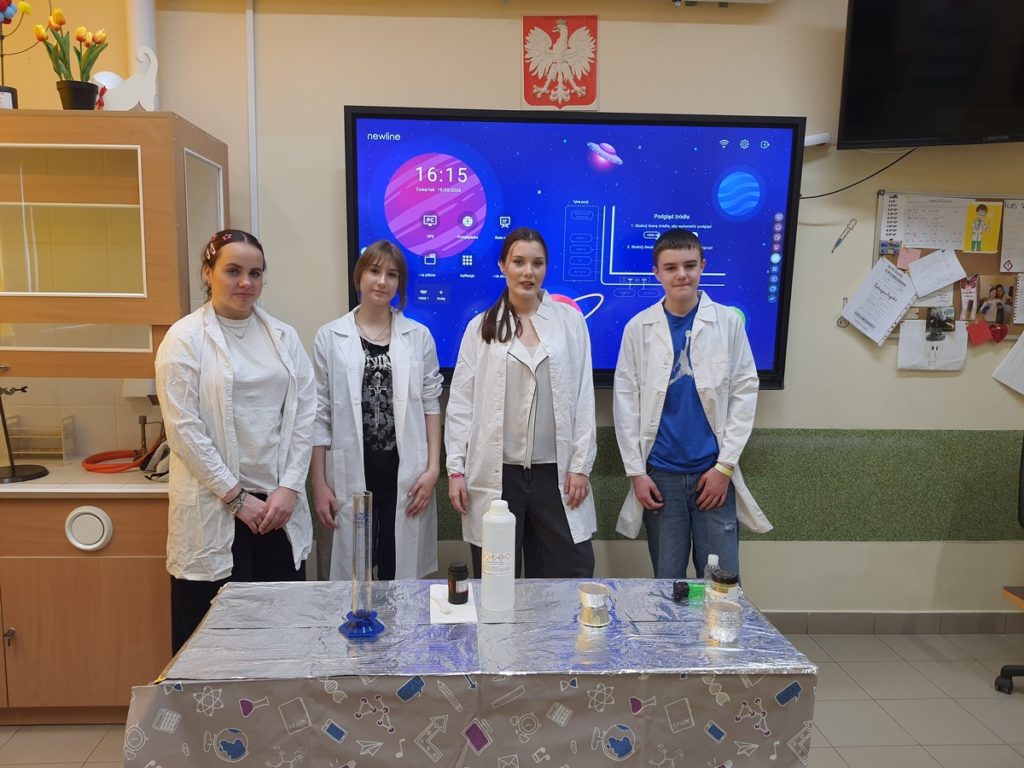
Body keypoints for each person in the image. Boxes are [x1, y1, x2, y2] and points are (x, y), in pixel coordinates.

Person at [155, 229, 316, 654]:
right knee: (213, 649)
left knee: (281, 644)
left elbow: (305, 415)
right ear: (208, 273)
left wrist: (289, 487)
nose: (246, 282)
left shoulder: (283, 337)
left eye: (255, 273)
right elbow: (183, 429)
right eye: (233, 271)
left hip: (277, 512)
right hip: (217, 509)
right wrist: (237, 498)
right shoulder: (184, 339)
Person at [612, 228, 771, 580]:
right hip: (661, 475)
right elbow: (625, 404)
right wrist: (637, 473)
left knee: (721, 580)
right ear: (656, 272)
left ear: (703, 266)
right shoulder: (638, 329)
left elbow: (745, 392)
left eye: (689, 265)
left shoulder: (728, 323)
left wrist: (724, 468)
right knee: (668, 581)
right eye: (671, 268)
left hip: (712, 475)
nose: (681, 275)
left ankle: (717, 625)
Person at [446, 227, 597, 579]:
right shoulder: (480, 328)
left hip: (555, 473)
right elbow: (462, 404)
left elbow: (583, 397)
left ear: (545, 268)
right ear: (503, 266)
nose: (528, 272)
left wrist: (580, 466)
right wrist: (456, 470)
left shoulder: (570, 322)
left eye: (537, 263)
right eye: (518, 262)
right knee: (497, 579)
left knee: (570, 572)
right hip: (498, 474)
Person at [309, 241, 442, 580]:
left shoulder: (419, 337)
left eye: (392, 274)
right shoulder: (330, 337)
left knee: (398, 573)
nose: (382, 281)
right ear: (359, 276)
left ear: (400, 284)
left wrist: (433, 469)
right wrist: (319, 484)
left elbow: (431, 404)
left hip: (404, 474)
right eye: (374, 271)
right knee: (354, 578)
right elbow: (319, 413)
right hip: (350, 474)